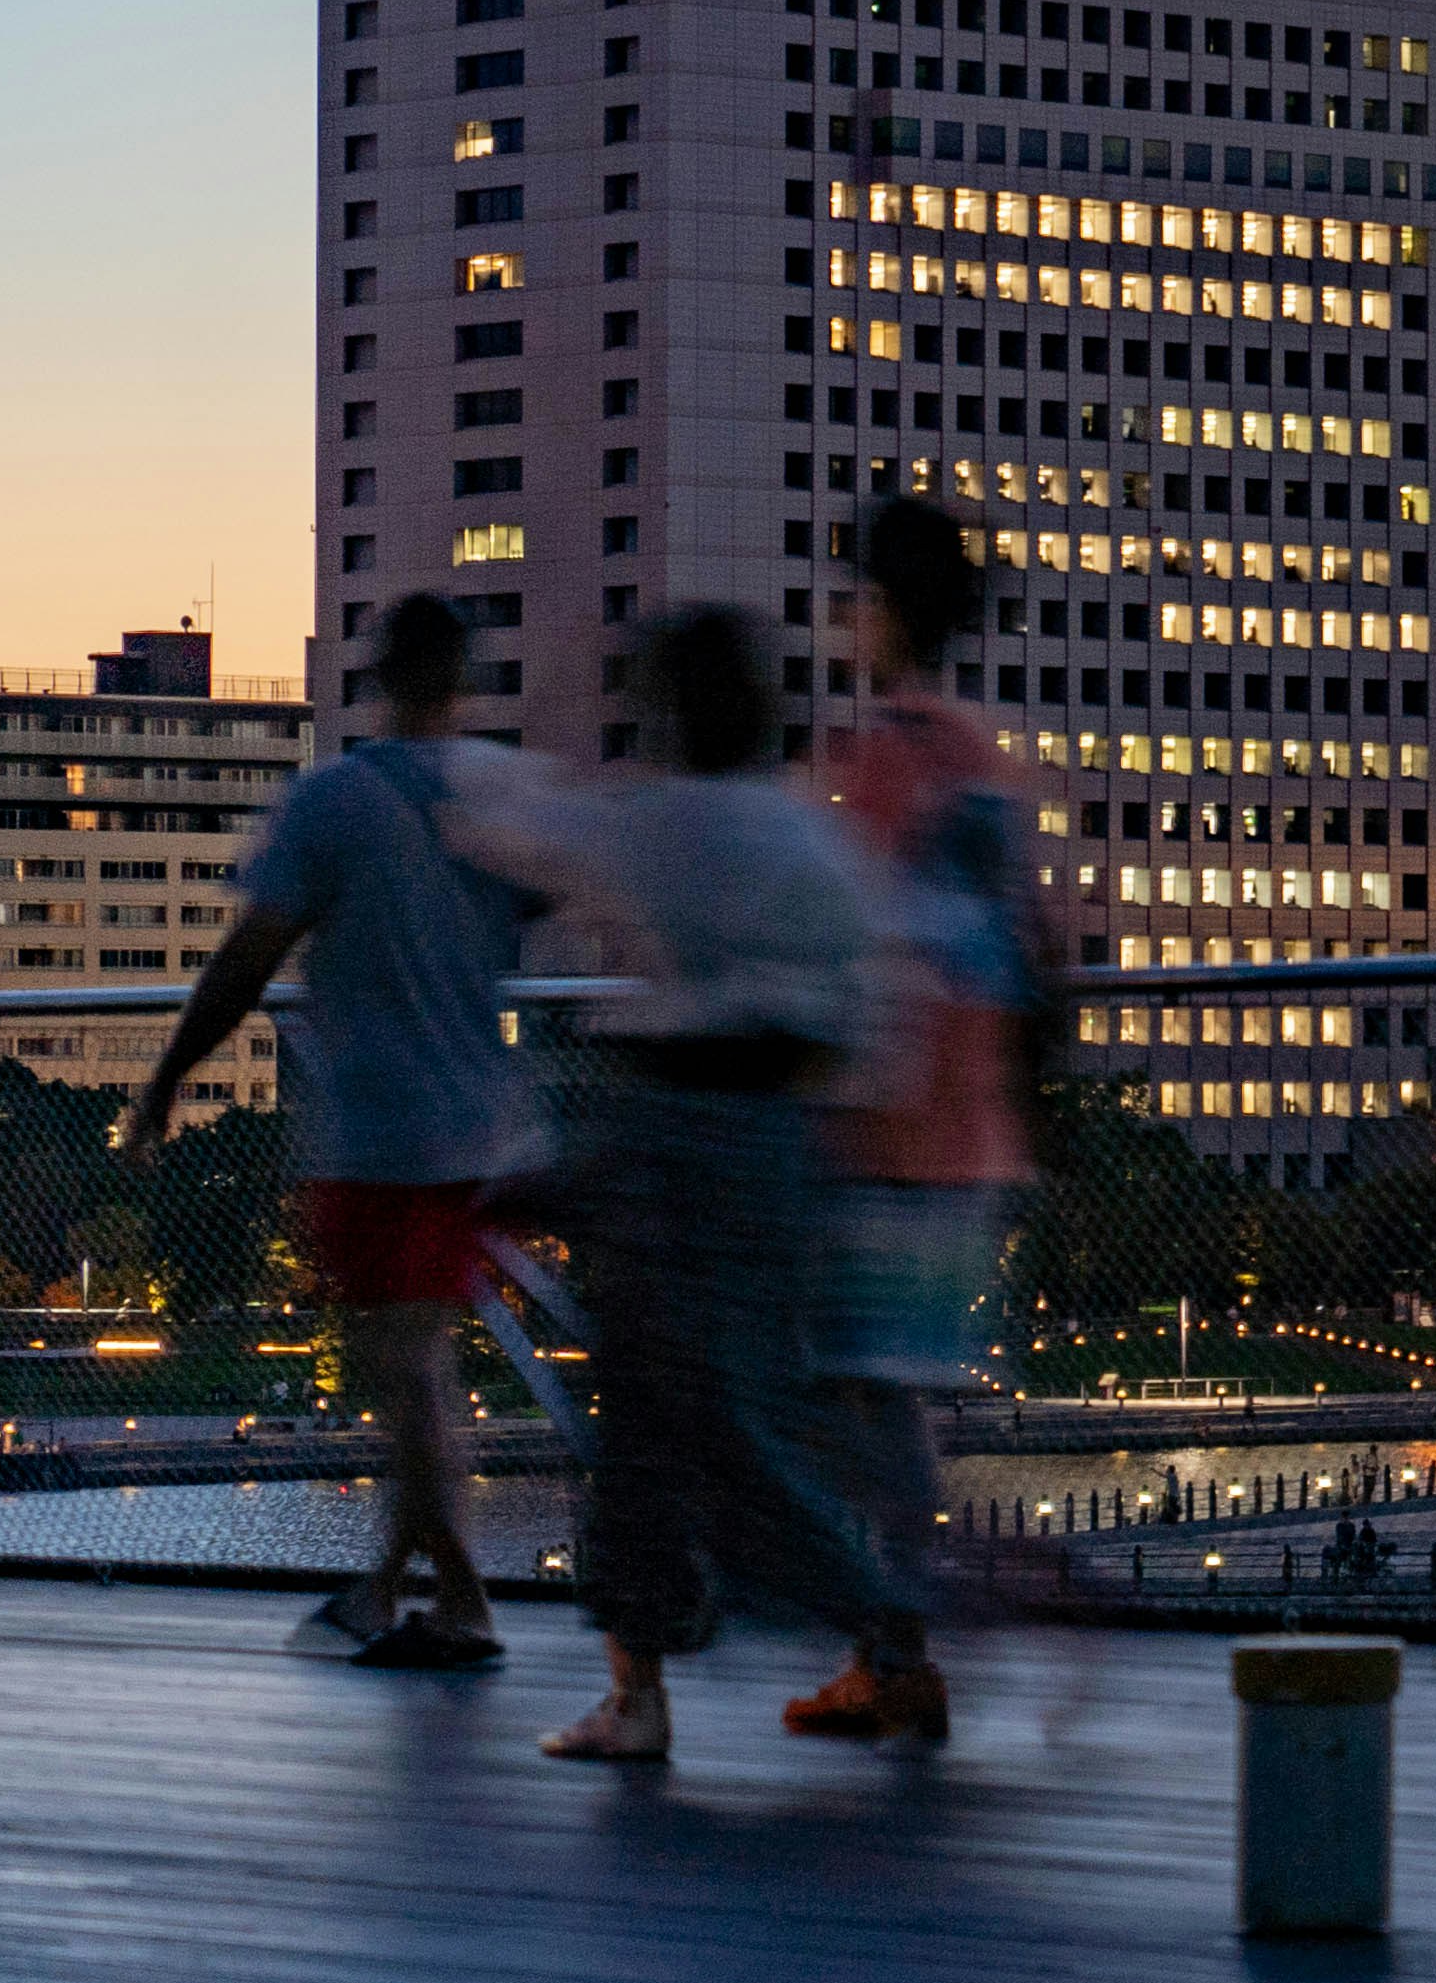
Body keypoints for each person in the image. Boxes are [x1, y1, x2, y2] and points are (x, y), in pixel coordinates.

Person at [541, 606, 944, 1765]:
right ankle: (880, 1627)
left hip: (666, 1132)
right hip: (775, 1144)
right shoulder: (809, 843)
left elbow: (541, 851)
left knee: (651, 1434)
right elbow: (864, 1011)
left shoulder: (655, 824)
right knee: (746, 1414)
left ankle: (652, 1688)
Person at [132, 592, 558, 1670]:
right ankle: (420, 1593)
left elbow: (246, 960)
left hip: (376, 1126)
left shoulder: (331, 802)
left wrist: (167, 1080)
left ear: (376, 679)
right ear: (467, 677)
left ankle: (428, 1600)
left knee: (402, 1370)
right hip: (482, 1124)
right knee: (419, 1368)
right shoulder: (503, 794)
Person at [808, 497, 1043, 1633]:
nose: (841, 620)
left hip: (884, 1123)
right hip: (974, 1124)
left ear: (886, 611)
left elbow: (848, 933)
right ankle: (905, 1618)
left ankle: (911, 1626)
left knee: (861, 1393)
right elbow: (1034, 941)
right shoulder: (979, 759)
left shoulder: (884, 759)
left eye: (852, 600)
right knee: (885, 1390)